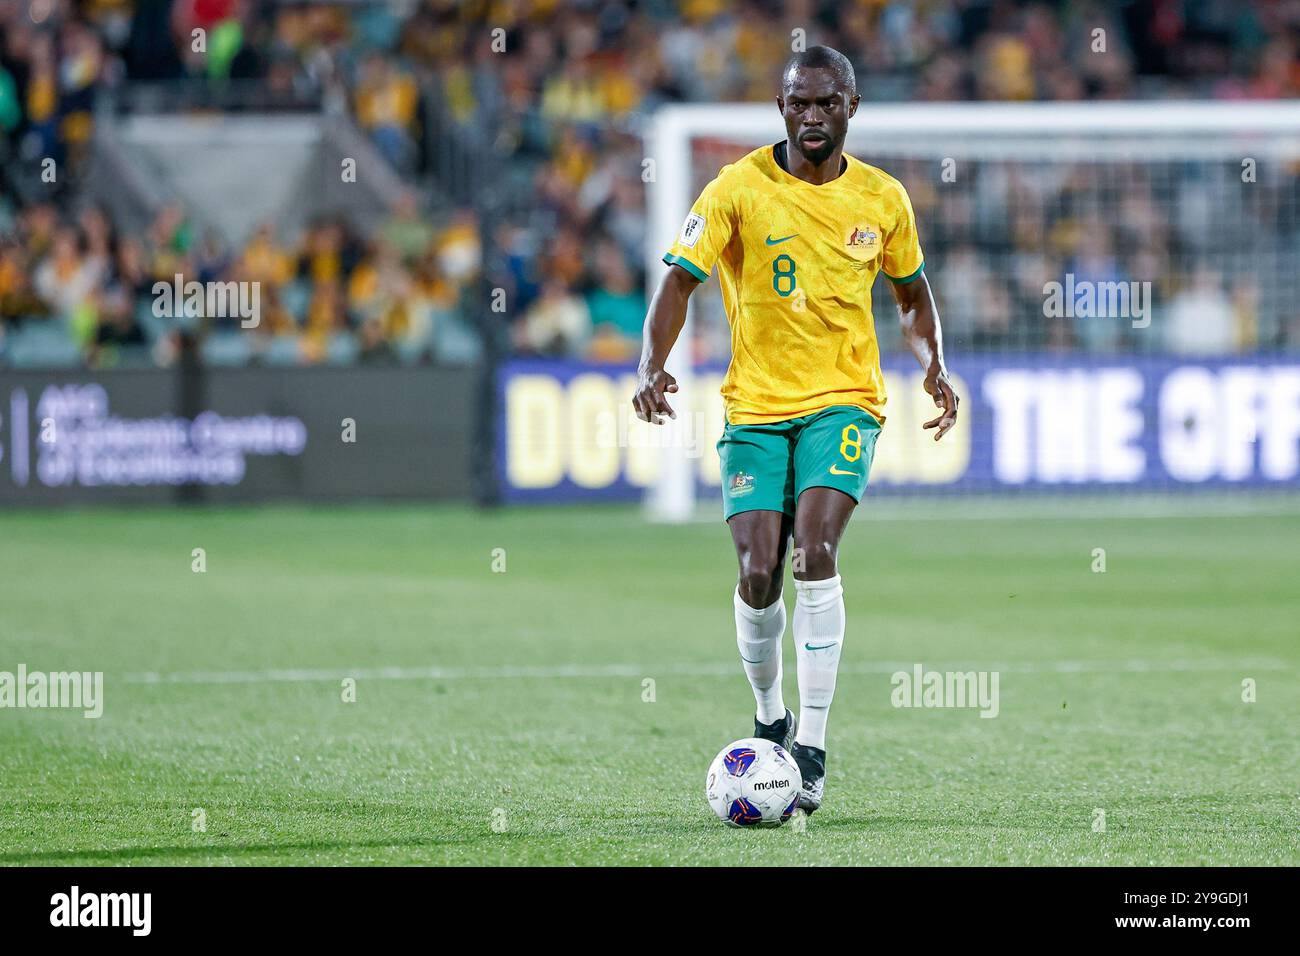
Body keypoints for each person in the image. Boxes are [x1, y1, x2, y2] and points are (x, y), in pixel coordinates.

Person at [632, 46, 959, 814]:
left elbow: (912, 296)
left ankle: (808, 746)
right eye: (798, 104)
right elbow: (678, 279)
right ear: (782, 109)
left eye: (826, 104)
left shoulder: (883, 200)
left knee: (816, 547)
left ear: (852, 106)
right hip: (754, 408)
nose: (812, 117)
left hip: (844, 400)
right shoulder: (736, 189)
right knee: (758, 567)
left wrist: (933, 364)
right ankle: (769, 714)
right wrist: (651, 365)